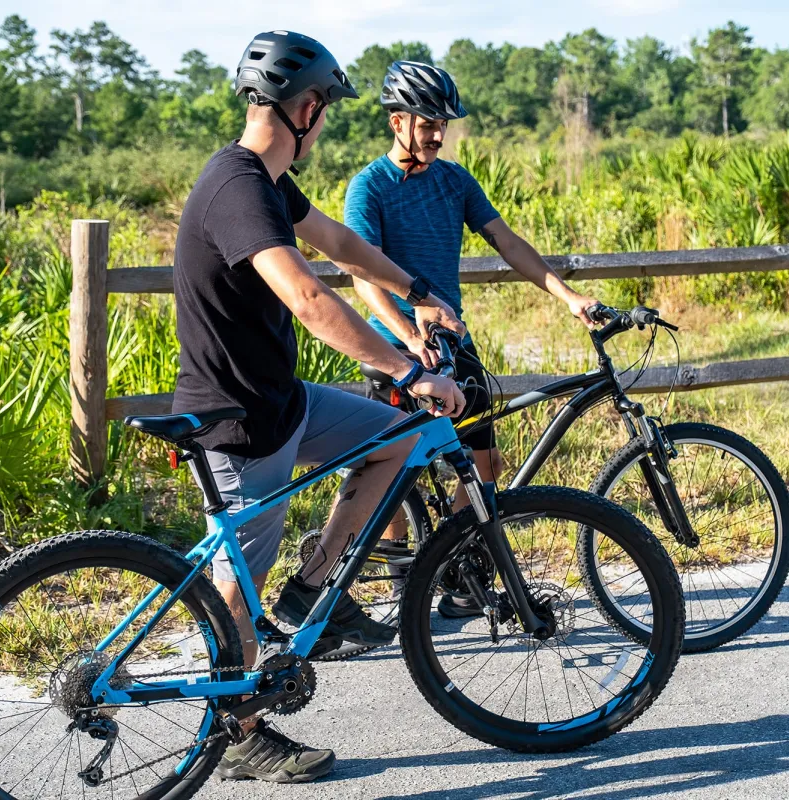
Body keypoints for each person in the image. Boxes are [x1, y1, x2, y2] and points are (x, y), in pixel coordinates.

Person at [172, 33, 466, 784]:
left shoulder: (268, 183)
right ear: (305, 109)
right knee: (235, 591)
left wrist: (417, 292)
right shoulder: (237, 186)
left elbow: (335, 241)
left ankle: (315, 588)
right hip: (236, 422)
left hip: (284, 403)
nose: (325, 121)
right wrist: (404, 365)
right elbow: (307, 296)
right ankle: (237, 736)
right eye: (325, 109)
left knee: (401, 433)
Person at [345, 61, 599, 616]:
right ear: (396, 121)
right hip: (397, 348)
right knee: (393, 468)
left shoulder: (454, 180)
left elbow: (507, 242)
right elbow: (365, 279)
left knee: (483, 460)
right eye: (426, 121)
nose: (438, 132)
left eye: (443, 122)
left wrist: (569, 297)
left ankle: (461, 569)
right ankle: (390, 580)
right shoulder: (369, 187)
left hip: (454, 345)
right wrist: (409, 337)